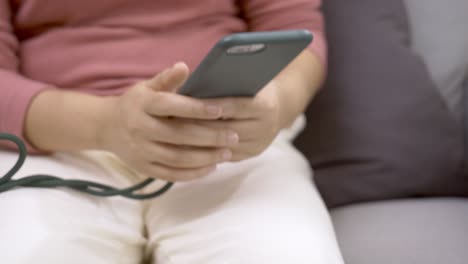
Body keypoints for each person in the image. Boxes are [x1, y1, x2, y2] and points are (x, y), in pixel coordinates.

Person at [0, 0, 344, 263]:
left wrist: (277, 104)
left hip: (226, 143)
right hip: (56, 146)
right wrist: (104, 124)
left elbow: (296, 29)